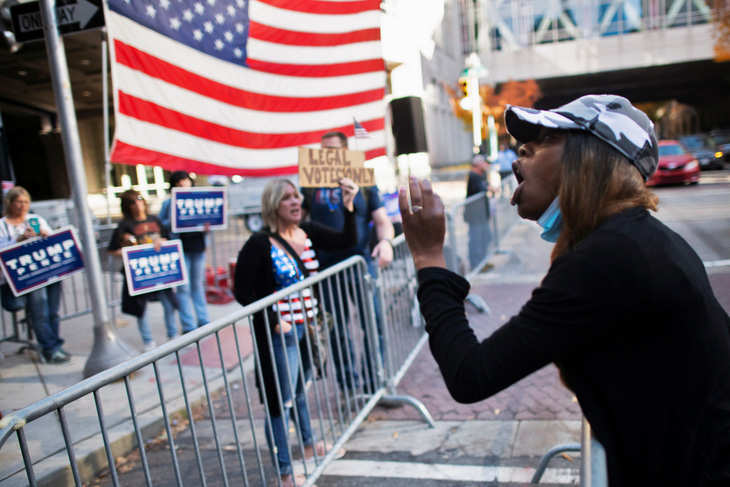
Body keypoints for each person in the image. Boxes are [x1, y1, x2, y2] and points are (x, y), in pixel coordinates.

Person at [399, 94, 730, 486]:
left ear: (588, 158)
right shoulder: (636, 239)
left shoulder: (609, 258)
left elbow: (471, 374)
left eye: (543, 139)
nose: (521, 148)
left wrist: (428, 258)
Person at [234, 178, 356, 487]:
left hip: (307, 328)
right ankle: (284, 474)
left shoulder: (309, 231)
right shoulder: (259, 243)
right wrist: (275, 319)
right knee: (281, 402)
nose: (295, 202)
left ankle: (308, 443)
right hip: (280, 335)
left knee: (301, 390)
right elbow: (241, 290)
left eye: (297, 196)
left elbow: (346, 241)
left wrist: (348, 205)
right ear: (273, 205)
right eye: (287, 197)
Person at [301, 131, 395, 394]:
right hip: (327, 269)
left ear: (345, 151)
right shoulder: (311, 184)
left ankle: (374, 382)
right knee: (337, 330)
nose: (326, 155)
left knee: (373, 323)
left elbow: (383, 221)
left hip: (361, 265)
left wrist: (385, 242)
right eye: (323, 150)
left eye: (331, 150)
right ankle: (349, 388)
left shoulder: (364, 181)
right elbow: (298, 223)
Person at [0, 187, 69, 364]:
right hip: (29, 278)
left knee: (53, 312)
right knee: (40, 313)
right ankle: (50, 348)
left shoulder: (35, 219)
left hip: (49, 271)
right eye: (18, 202)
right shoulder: (2, 225)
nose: (22, 205)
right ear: (10, 203)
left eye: (25, 202)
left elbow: (54, 241)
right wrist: (18, 240)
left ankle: (56, 344)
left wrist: (46, 234)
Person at [108, 190, 178, 352]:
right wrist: (130, 251)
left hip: (160, 270)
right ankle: (148, 341)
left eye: (139, 199)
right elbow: (113, 250)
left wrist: (161, 240)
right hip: (139, 273)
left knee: (169, 303)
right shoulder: (124, 225)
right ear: (127, 206)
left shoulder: (154, 219)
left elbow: (168, 238)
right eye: (132, 202)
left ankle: (173, 335)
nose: (137, 204)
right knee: (141, 308)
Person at [159, 171, 210, 332]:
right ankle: (189, 325)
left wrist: (208, 228)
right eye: (178, 181)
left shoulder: (199, 199)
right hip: (180, 248)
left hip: (198, 247)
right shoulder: (169, 203)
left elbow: (210, 220)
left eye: (185, 180)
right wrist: (174, 220)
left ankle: (203, 319)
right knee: (183, 288)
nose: (182, 183)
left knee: (198, 285)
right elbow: (161, 224)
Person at [465, 153, 495, 269]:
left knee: (486, 237)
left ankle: (483, 261)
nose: (486, 165)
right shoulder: (473, 176)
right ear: (478, 164)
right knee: (476, 239)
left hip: (481, 214)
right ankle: (476, 264)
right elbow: (480, 188)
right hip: (474, 215)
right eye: (484, 163)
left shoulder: (481, 175)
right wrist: (490, 188)